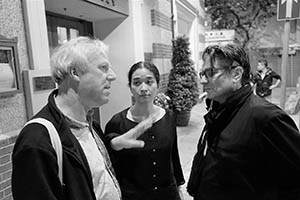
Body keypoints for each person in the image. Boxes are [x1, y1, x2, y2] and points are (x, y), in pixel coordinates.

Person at [12, 36, 121, 200]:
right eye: (103, 68)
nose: (113, 76)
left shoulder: (90, 125)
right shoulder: (37, 140)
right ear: (75, 72)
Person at [187, 44, 300, 200]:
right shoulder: (218, 110)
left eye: (210, 73)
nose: (202, 80)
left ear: (236, 74)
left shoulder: (266, 117)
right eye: (202, 73)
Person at [104, 61, 185, 200]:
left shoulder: (169, 117)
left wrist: (179, 188)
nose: (143, 88)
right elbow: (112, 166)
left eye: (149, 82)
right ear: (130, 87)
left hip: (167, 194)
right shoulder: (117, 123)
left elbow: (173, 156)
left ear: (158, 85)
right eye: (136, 83)